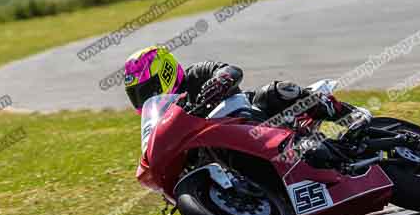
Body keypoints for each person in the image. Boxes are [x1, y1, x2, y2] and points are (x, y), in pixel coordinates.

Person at [123, 46, 372, 169]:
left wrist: (220, 79)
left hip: (255, 119)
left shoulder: (195, 75)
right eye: (137, 95)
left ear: (164, 71)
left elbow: (231, 70)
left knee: (276, 90)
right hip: (230, 150)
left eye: (147, 90)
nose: (145, 98)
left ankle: (349, 115)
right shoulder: (162, 117)